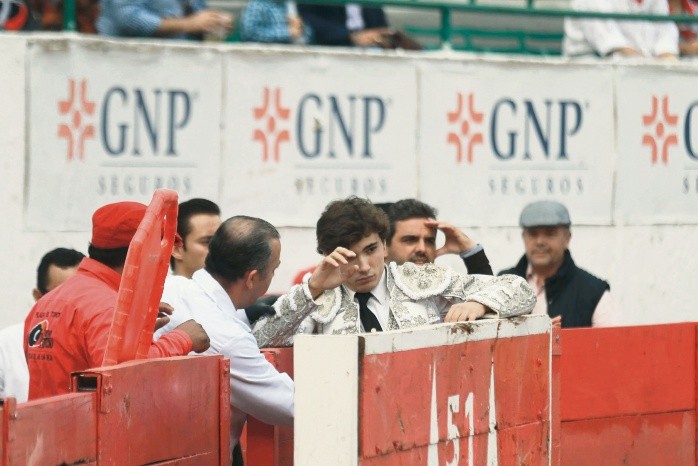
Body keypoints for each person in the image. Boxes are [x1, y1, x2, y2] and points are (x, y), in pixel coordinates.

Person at [252, 197, 535, 348]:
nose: (364, 266)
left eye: (371, 249)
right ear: (328, 256)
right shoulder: (316, 296)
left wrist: (479, 303)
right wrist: (313, 289)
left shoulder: (420, 279)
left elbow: (520, 290)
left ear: (385, 246)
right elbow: (260, 340)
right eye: (350, 256)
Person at [24, 201, 210, 400]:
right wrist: (182, 339)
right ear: (142, 253)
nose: (162, 262)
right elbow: (125, 378)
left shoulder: (47, 302)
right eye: (159, 251)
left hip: (50, 419)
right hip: (85, 420)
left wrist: (135, 328)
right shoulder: (110, 307)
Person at [157, 216, 294, 465]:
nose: (272, 276)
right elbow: (291, 406)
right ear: (252, 278)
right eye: (273, 270)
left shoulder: (169, 286)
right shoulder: (230, 338)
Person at [498, 200, 619, 328]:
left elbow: (609, 340)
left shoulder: (595, 293)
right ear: (523, 237)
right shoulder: (502, 285)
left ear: (567, 238)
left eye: (550, 234)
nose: (540, 242)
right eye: (533, 234)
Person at [0, 248, 85, 402]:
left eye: (81, 295)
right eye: (60, 296)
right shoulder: (6, 343)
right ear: (38, 297)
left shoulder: (98, 343)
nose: (71, 305)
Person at [381, 199, 493, 275]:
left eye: (429, 241)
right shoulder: (373, 296)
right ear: (384, 247)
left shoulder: (446, 297)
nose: (422, 249)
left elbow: (489, 297)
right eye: (410, 240)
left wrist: (471, 252)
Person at [563, 0, 679, 59]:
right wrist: (655, 66)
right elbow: (614, 47)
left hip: (641, 69)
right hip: (587, 69)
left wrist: (667, 56)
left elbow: (665, 30)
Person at [96, 0, 233, 40]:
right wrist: (189, 24)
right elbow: (128, 18)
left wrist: (211, 22)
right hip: (126, 64)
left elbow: (193, 18)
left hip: (176, 65)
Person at [171, 198, 221, 279]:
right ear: (176, 250)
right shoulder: (164, 287)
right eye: (207, 242)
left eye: (223, 240)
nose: (220, 248)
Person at [240, 0, 311, 44]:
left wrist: (301, 28)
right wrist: (287, 33)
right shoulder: (257, 4)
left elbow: (307, 36)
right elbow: (249, 33)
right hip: (261, 58)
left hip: (288, 57)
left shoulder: (288, 4)